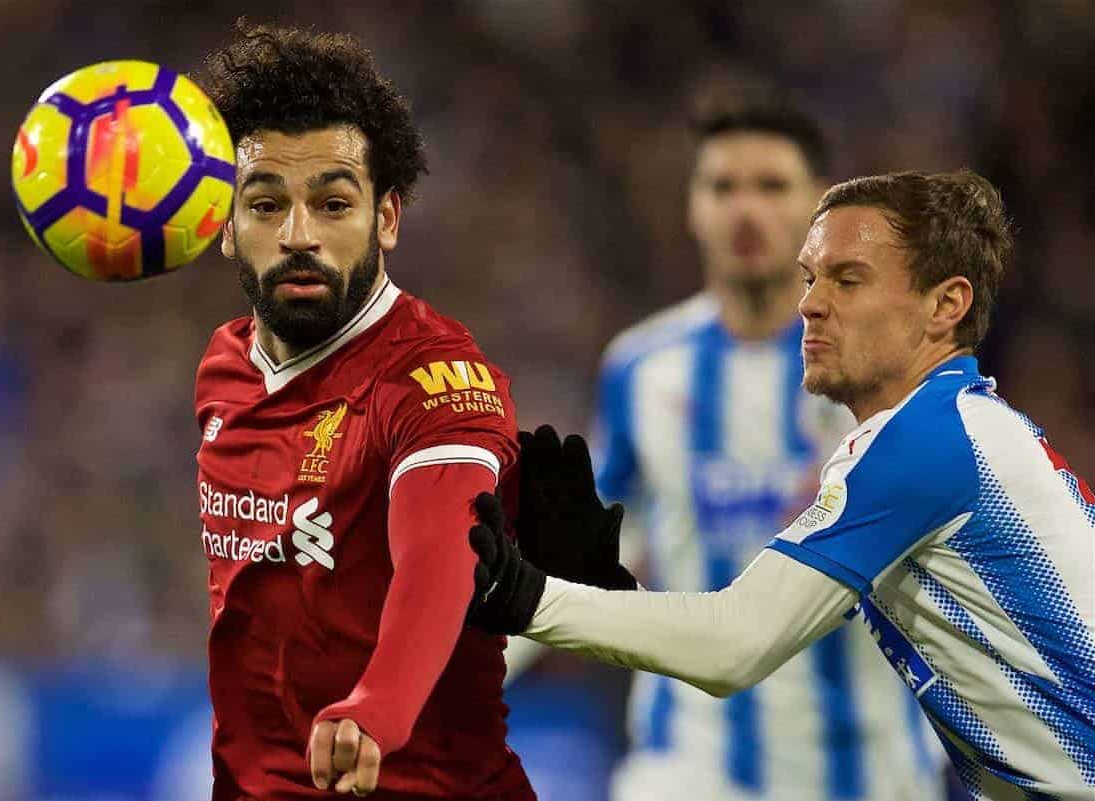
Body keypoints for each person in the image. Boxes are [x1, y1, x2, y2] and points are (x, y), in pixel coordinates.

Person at [467, 169, 1095, 801]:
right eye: (810, 278)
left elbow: (736, 643)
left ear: (945, 305)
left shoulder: (922, 443)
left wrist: (526, 597)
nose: (810, 304)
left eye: (849, 280)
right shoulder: (961, 426)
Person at [194, 22, 534, 800]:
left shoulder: (436, 378)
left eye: (333, 202)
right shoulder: (221, 368)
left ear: (386, 218)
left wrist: (379, 706)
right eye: (267, 203)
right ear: (225, 224)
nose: (299, 235)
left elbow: (441, 555)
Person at [589, 91, 942, 801]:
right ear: (693, 205)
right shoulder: (643, 368)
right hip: (688, 765)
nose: (745, 209)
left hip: (872, 772)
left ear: (820, 210)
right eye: (723, 187)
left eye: (772, 186)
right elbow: (588, 551)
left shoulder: (896, 372)